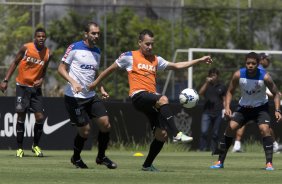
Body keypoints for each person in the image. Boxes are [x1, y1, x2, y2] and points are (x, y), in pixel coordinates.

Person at [88, 29, 212, 171]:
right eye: (147, 44)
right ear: (139, 42)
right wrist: (95, 84)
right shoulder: (129, 56)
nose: (150, 47)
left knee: (162, 135)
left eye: (152, 44)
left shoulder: (156, 59)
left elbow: (177, 66)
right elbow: (109, 70)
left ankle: (147, 165)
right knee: (163, 98)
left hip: (150, 100)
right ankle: (178, 133)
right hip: (138, 96)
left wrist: (199, 60)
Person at [57, 22, 117, 169]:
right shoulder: (75, 47)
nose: (96, 36)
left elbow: (95, 73)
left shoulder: (97, 51)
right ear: (86, 34)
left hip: (91, 96)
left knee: (105, 124)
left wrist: (101, 88)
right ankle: (76, 158)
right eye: (93, 33)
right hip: (74, 97)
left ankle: (101, 157)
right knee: (85, 131)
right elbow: (61, 68)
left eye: (98, 33)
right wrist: (73, 82)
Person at [210, 52, 281, 171]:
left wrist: (277, 110)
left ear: (258, 64)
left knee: (265, 129)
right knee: (230, 128)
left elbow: (276, 94)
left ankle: (269, 163)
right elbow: (230, 91)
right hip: (244, 109)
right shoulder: (238, 75)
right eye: (248, 63)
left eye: (253, 63)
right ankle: (220, 161)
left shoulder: (265, 77)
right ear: (245, 63)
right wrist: (227, 107)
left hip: (260, 108)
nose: (250, 65)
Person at [0, 27, 51, 157]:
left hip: (35, 89)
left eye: (43, 37)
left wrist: (42, 79)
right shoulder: (26, 48)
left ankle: (35, 146)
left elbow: (44, 70)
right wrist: (5, 80)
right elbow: (15, 63)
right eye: (38, 36)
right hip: (22, 87)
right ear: (35, 37)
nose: (41, 38)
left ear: (45, 38)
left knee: (40, 117)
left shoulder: (47, 53)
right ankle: (20, 148)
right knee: (21, 116)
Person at [232, 53, 280, 153]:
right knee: (262, 126)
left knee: (260, 126)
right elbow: (260, 87)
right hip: (253, 102)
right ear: (261, 60)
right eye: (267, 59)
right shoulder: (259, 70)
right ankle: (274, 144)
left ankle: (237, 144)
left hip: (255, 102)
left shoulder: (261, 70)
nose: (268, 61)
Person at [198, 68, 227, 153]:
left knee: (215, 133)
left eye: (214, 75)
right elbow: (200, 93)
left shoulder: (222, 86)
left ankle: (213, 149)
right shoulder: (207, 85)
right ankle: (202, 148)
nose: (212, 77)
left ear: (217, 76)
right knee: (204, 131)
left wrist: (225, 109)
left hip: (218, 112)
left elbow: (225, 99)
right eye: (211, 75)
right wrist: (206, 82)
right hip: (206, 112)